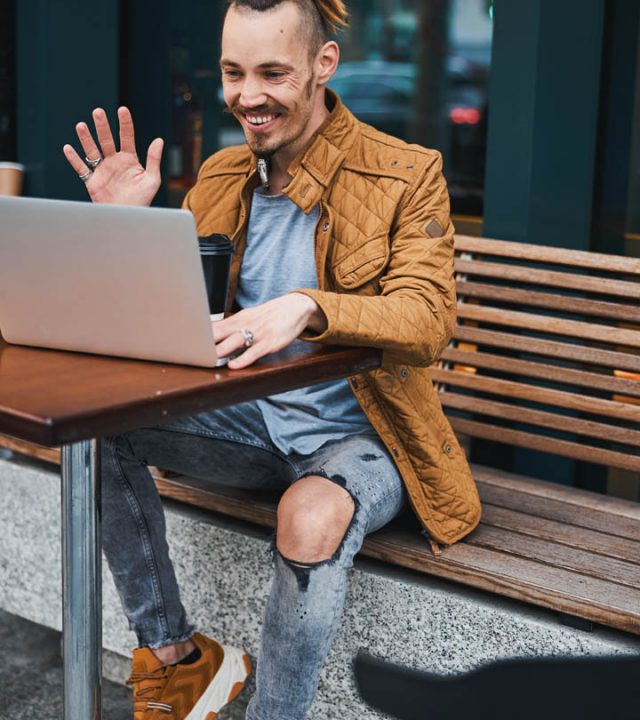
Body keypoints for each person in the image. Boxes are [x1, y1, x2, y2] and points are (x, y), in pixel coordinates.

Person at [63, 1, 481, 718]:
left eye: (272, 73)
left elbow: (428, 317)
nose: (247, 95)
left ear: (323, 66)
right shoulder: (224, 175)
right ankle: (177, 658)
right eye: (233, 71)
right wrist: (126, 226)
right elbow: (168, 319)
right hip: (252, 427)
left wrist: (310, 305)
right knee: (97, 432)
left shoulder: (404, 173)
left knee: (310, 513)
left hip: (367, 442)